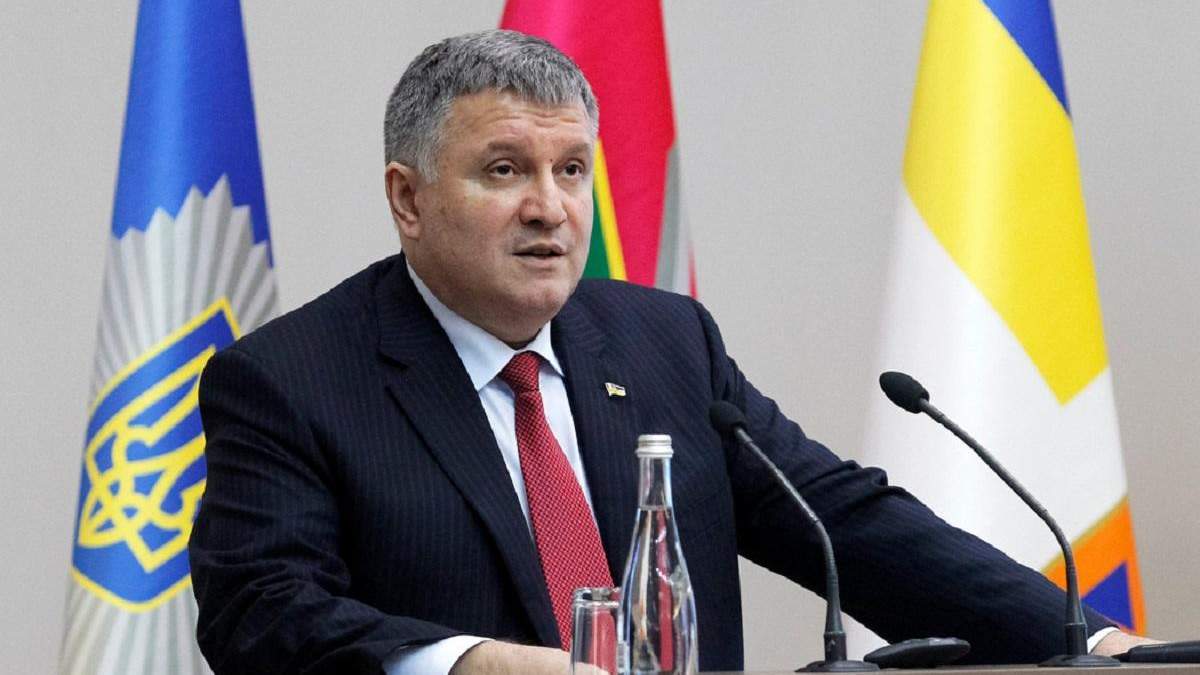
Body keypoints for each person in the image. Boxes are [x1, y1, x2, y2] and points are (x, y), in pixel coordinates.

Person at [189, 29, 1151, 675]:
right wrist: (472, 661)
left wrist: (1093, 643)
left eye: (572, 170)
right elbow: (259, 611)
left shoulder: (666, 342)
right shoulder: (289, 380)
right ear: (408, 198)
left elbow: (846, 523)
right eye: (504, 170)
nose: (549, 207)